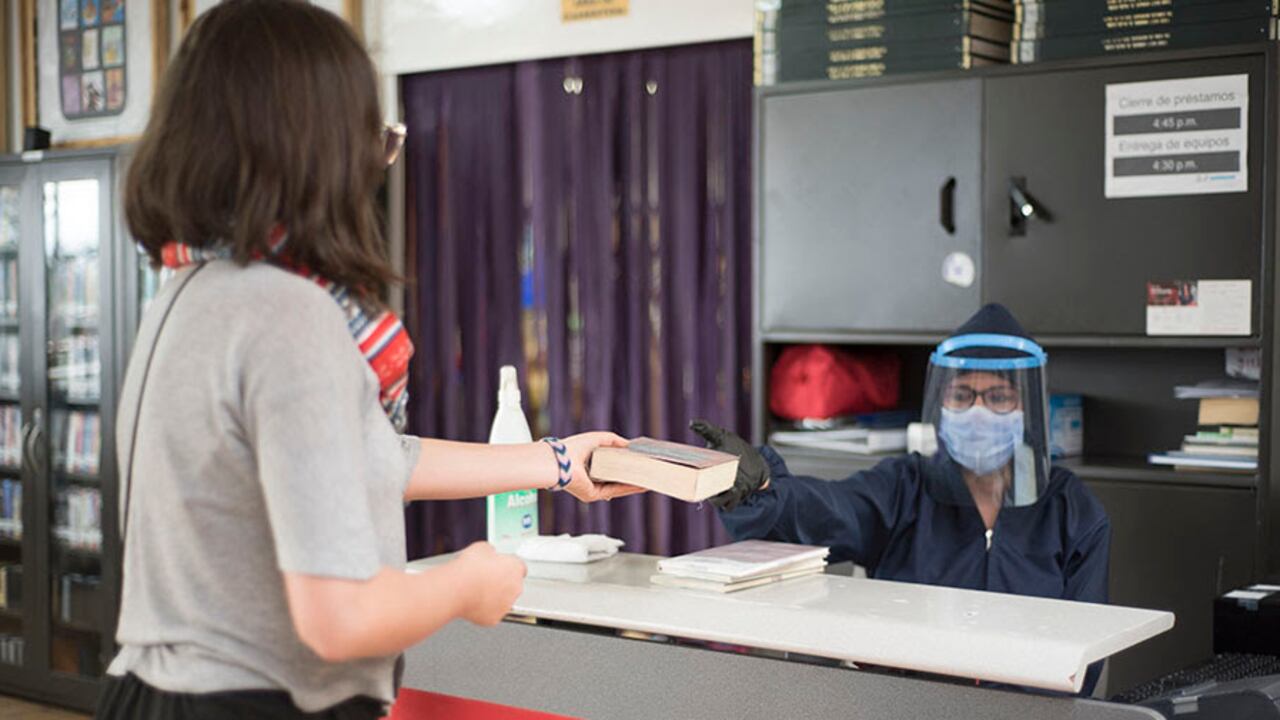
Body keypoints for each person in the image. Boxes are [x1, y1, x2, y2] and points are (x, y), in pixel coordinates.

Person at [95, 2, 640, 718]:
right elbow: (339, 616)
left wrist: (558, 462)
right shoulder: (289, 315)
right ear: (319, 151)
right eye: (373, 142)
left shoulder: (191, 291)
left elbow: (367, 457)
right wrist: (466, 583)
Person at [693, 304, 1110, 696]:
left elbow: (1087, 649)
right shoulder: (905, 488)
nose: (978, 412)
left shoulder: (1071, 509)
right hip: (907, 705)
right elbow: (829, 508)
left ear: (1026, 407)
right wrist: (764, 485)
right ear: (941, 403)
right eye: (962, 395)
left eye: (998, 397)